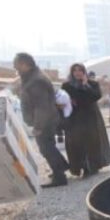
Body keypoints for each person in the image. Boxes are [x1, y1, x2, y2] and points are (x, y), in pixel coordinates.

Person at [14, 53, 69, 188]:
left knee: (46, 148)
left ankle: (60, 177)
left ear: (25, 64)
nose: (16, 69)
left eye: (17, 66)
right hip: (46, 119)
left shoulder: (36, 80)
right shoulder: (32, 77)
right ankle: (61, 167)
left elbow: (41, 106)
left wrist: (38, 126)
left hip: (45, 121)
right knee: (48, 146)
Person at [62, 63, 110, 177]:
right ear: (72, 72)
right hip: (74, 118)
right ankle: (80, 166)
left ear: (84, 72)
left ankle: (91, 167)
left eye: (80, 70)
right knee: (76, 143)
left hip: (90, 117)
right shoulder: (67, 85)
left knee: (92, 143)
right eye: (75, 70)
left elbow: (96, 96)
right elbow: (64, 99)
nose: (77, 72)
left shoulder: (92, 84)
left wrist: (86, 86)